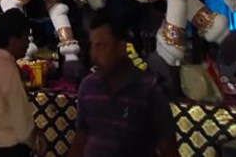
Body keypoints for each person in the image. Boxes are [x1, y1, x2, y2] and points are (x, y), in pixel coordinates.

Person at [68, 14, 179, 157]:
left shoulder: (149, 90)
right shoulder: (88, 86)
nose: (94, 55)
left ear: (121, 47)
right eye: (92, 46)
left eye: (101, 46)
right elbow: (80, 141)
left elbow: (169, 151)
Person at [0, 8, 47, 157]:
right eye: (26, 37)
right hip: (13, 151)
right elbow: (23, 126)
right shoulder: (9, 70)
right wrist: (36, 139)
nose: (28, 43)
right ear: (14, 40)